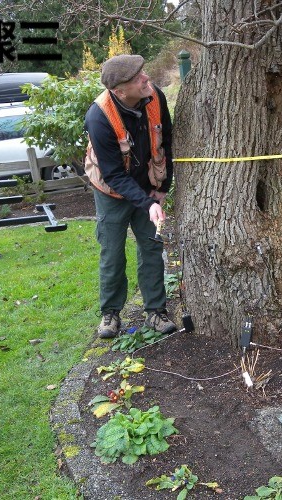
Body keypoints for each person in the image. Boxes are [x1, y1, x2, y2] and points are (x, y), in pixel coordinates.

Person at [84, 54, 177, 338]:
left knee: (151, 247)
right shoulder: (98, 117)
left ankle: (156, 312)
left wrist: (161, 189)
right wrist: (147, 203)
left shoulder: (155, 97)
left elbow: (168, 144)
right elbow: (113, 175)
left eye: (143, 72)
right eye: (138, 78)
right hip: (111, 191)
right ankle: (110, 314)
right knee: (112, 252)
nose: (146, 79)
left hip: (148, 186)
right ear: (120, 91)